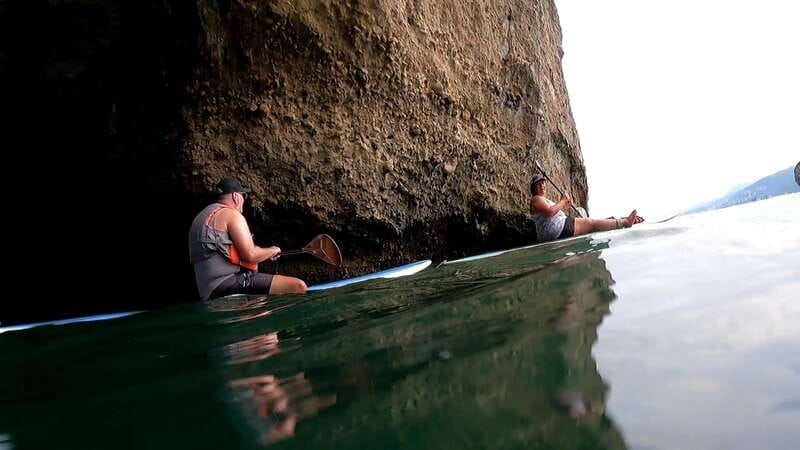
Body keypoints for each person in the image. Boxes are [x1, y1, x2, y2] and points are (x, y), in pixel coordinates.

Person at [188, 177, 307, 300]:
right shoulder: (232, 214)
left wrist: (266, 253)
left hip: (208, 292)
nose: (243, 200)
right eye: (243, 195)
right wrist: (273, 250)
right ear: (236, 196)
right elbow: (250, 255)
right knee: (298, 286)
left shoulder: (200, 217)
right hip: (228, 283)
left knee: (259, 300)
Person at [529, 174, 640, 243]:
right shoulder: (536, 199)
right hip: (558, 229)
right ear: (533, 189)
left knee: (591, 225)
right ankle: (624, 222)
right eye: (538, 184)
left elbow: (551, 213)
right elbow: (550, 212)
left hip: (555, 231)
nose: (542, 186)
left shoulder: (542, 200)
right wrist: (563, 200)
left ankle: (618, 221)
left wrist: (565, 205)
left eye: (543, 183)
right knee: (592, 224)